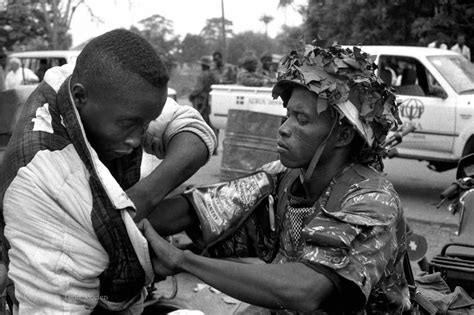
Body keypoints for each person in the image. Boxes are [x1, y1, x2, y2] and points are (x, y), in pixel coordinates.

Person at [140, 44, 410, 313]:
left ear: (343, 136)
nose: (284, 129)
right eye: (288, 115)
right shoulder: (283, 176)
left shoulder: (373, 201)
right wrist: (123, 216)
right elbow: (201, 209)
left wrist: (182, 260)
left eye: (301, 120)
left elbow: (306, 289)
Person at [0, 29, 216, 313]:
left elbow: (197, 135)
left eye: (147, 123)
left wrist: (140, 199)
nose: (138, 139)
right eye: (128, 124)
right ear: (79, 98)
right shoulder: (47, 182)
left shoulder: (89, 83)